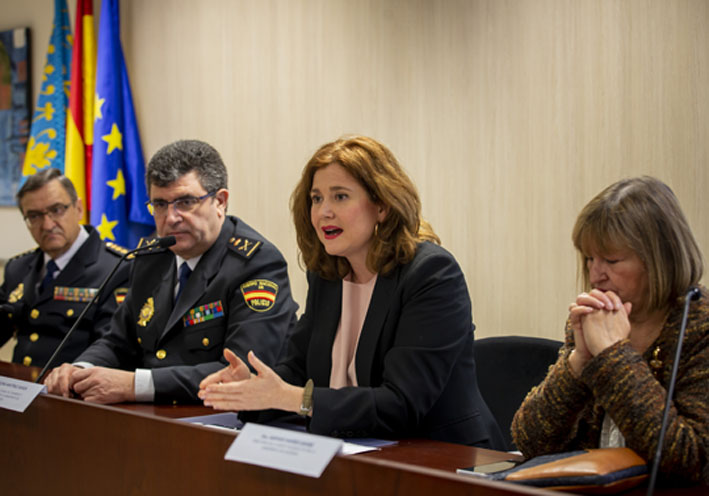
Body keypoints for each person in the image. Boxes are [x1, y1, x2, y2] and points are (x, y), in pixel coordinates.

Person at [198, 136, 504, 447]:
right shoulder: (329, 274)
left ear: (382, 206)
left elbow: (401, 404)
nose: (323, 212)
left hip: (443, 459)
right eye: (316, 199)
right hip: (356, 452)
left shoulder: (431, 274)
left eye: (340, 197)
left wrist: (294, 398)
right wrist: (253, 389)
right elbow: (298, 366)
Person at [44, 140, 298, 404]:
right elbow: (118, 341)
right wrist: (81, 369)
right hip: (155, 419)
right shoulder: (152, 257)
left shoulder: (256, 263)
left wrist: (135, 385)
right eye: (160, 205)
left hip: (219, 422)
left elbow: (242, 372)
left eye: (186, 202)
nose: (171, 218)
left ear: (220, 202)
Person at [511, 176, 709, 484]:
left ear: (660, 260)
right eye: (589, 258)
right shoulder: (593, 319)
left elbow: (690, 459)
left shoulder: (700, 326)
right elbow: (531, 441)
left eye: (611, 260)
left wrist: (614, 357)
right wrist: (579, 362)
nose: (595, 274)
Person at [0, 168, 129, 370]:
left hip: (75, 391)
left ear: (78, 208)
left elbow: (113, 344)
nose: (47, 225)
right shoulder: (18, 268)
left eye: (57, 210)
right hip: (19, 390)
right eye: (34, 216)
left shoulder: (118, 268)